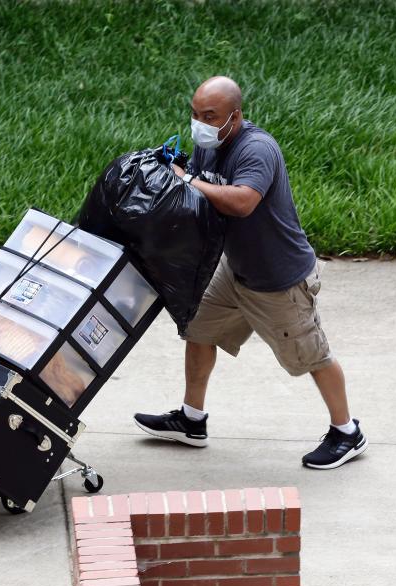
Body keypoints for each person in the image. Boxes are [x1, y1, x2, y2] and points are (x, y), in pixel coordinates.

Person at [133, 76, 367, 470]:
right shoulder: (208, 145)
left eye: (210, 116)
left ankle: (347, 432)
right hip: (234, 269)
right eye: (195, 114)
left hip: (277, 279)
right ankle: (191, 420)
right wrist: (175, 172)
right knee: (198, 328)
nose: (200, 123)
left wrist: (188, 180)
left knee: (312, 355)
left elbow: (242, 202)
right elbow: (199, 190)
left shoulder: (256, 150)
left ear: (235, 116)